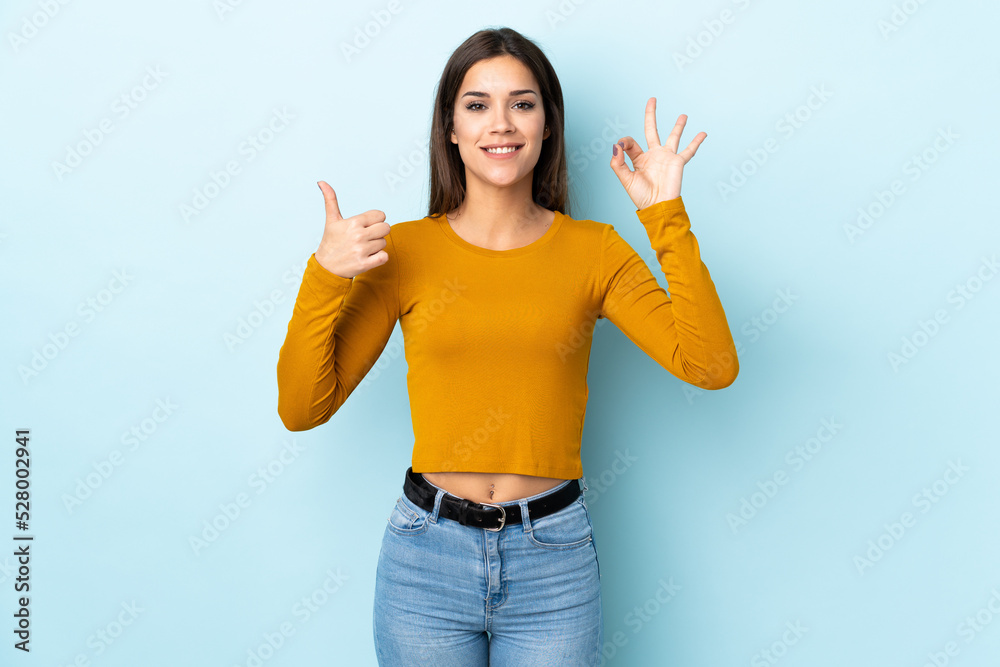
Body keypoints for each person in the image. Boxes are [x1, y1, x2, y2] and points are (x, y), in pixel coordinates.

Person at [276, 26, 739, 667]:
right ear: (450, 129)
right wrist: (324, 274)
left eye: (522, 103)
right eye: (477, 104)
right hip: (424, 563)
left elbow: (711, 365)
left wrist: (666, 216)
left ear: (548, 125)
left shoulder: (594, 251)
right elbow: (303, 407)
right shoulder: (403, 252)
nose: (502, 124)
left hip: (553, 561)